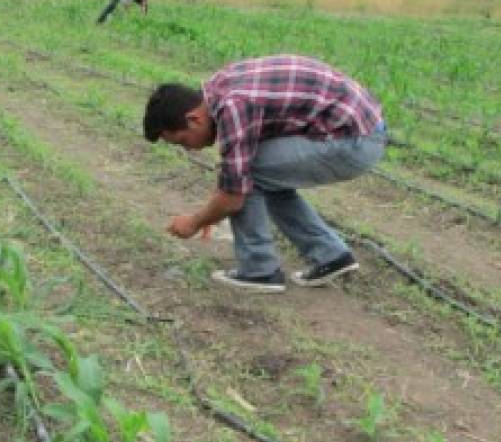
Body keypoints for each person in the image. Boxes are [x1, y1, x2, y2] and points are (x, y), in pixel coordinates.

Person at [143, 55, 387, 293]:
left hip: (355, 140)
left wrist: (196, 221)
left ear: (193, 119)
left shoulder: (233, 106)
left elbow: (234, 194)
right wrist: (215, 205)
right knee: (253, 171)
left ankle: (258, 270)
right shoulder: (217, 89)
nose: (187, 148)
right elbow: (235, 165)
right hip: (356, 129)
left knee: (250, 173)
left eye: (181, 141)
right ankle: (332, 256)